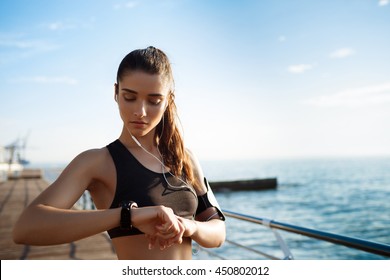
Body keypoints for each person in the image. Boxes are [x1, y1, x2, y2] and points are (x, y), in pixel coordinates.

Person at [13, 46, 226, 260]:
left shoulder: (185, 159)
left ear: (169, 100)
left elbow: (218, 232)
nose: (140, 112)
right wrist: (128, 216)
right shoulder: (97, 162)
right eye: (130, 97)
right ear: (116, 93)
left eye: (154, 101)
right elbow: (25, 228)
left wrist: (188, 226)